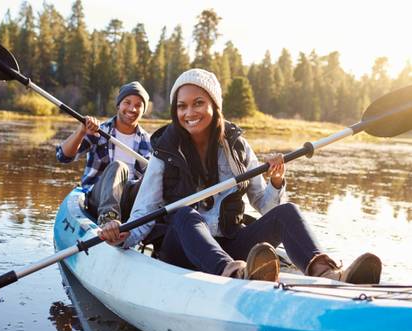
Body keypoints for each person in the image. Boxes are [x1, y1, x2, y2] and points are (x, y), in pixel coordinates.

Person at [99, 69, 382, 284]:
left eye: (198, 103)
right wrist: (122, 235)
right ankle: (233, 272)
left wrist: (276, 183)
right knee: (185, 214)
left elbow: (265, 204)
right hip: (182, 247)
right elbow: (144, 211)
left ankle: (327, 273)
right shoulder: (165, 150)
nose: (189, 112)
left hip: (231, 242)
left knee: (287, 212)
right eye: (181, 106)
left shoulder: (237, 146)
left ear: (214, 106)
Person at [56, 81, 152, 226]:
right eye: (127, 102)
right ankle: (108, 219)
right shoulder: (99, 131)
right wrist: (81, 131)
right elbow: (63, 157)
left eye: (138, 105)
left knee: (153, 176)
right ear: (118, 105)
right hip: (98, 198)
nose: (132, 108)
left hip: (130, 203)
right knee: (118, 167)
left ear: (143, 110)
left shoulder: (148, 140)